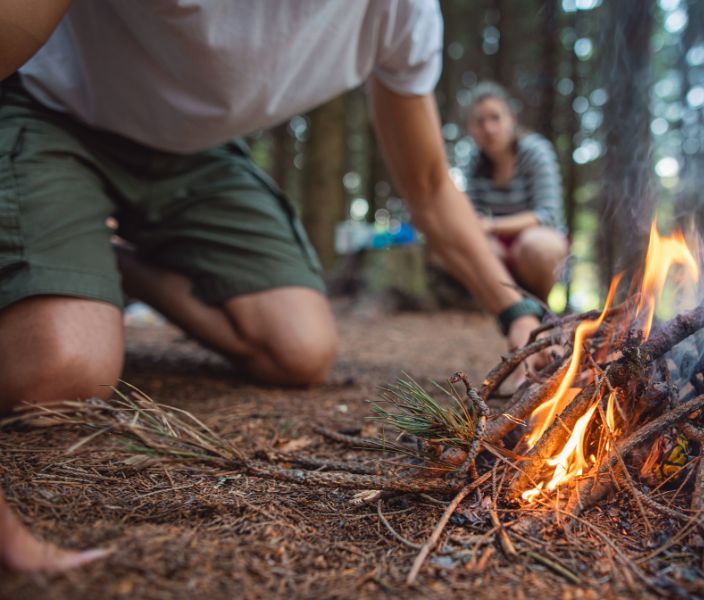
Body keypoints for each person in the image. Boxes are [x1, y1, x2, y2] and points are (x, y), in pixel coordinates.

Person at [0, 0, 547, 571]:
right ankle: (68, 258)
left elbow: (431, 185)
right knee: (57, 377)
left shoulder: (401, 11)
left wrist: (516, 310)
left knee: (300, 350)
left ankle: (109, 259)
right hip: (54, 113)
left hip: (200, 154)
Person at [464, 82, 569, 303]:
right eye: (480, 122)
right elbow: (474, 217)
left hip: (539, 242)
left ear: (511, 119)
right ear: (471, 129)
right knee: (472, 247)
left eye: (495, 118)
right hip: (499, 246)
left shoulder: (535, 152)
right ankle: (505, 308)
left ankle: (541, 308)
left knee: (536, 246)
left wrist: (492, 226)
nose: (489, 129)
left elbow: (547, 216)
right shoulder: (474, 163)